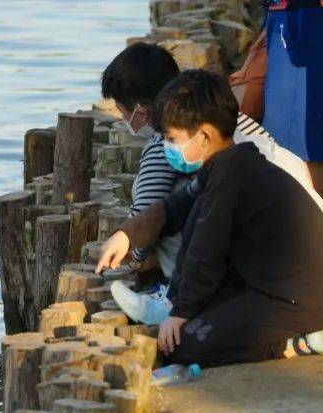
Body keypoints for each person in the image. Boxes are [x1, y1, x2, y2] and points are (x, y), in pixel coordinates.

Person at [95, 70, 323, 368]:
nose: (167, 147)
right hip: (277, 287)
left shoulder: (231, 176)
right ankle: (174, 302)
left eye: (172, 139)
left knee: (183, 347)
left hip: (298, 301)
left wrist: (181, 312)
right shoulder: (231, 164)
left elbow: (205, 250)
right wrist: (128, 235)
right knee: (194, 215)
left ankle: (294, 345)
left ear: (205, 135)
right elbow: (176, 207)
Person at [99, 43, 272, 325]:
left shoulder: (164, 146)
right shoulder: (230, 117)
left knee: (172, 205)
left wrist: (136, 252)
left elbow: (147, 218)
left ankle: (174, 295)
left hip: (237, 261)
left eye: (122, 112)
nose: (123, 121)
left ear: (141, 113)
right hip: (267, 241)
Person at [261, 1, 323, 216]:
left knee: (303, 148)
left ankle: (318, 243)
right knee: (322, 141)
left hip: (304, 18)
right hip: (298, 15)